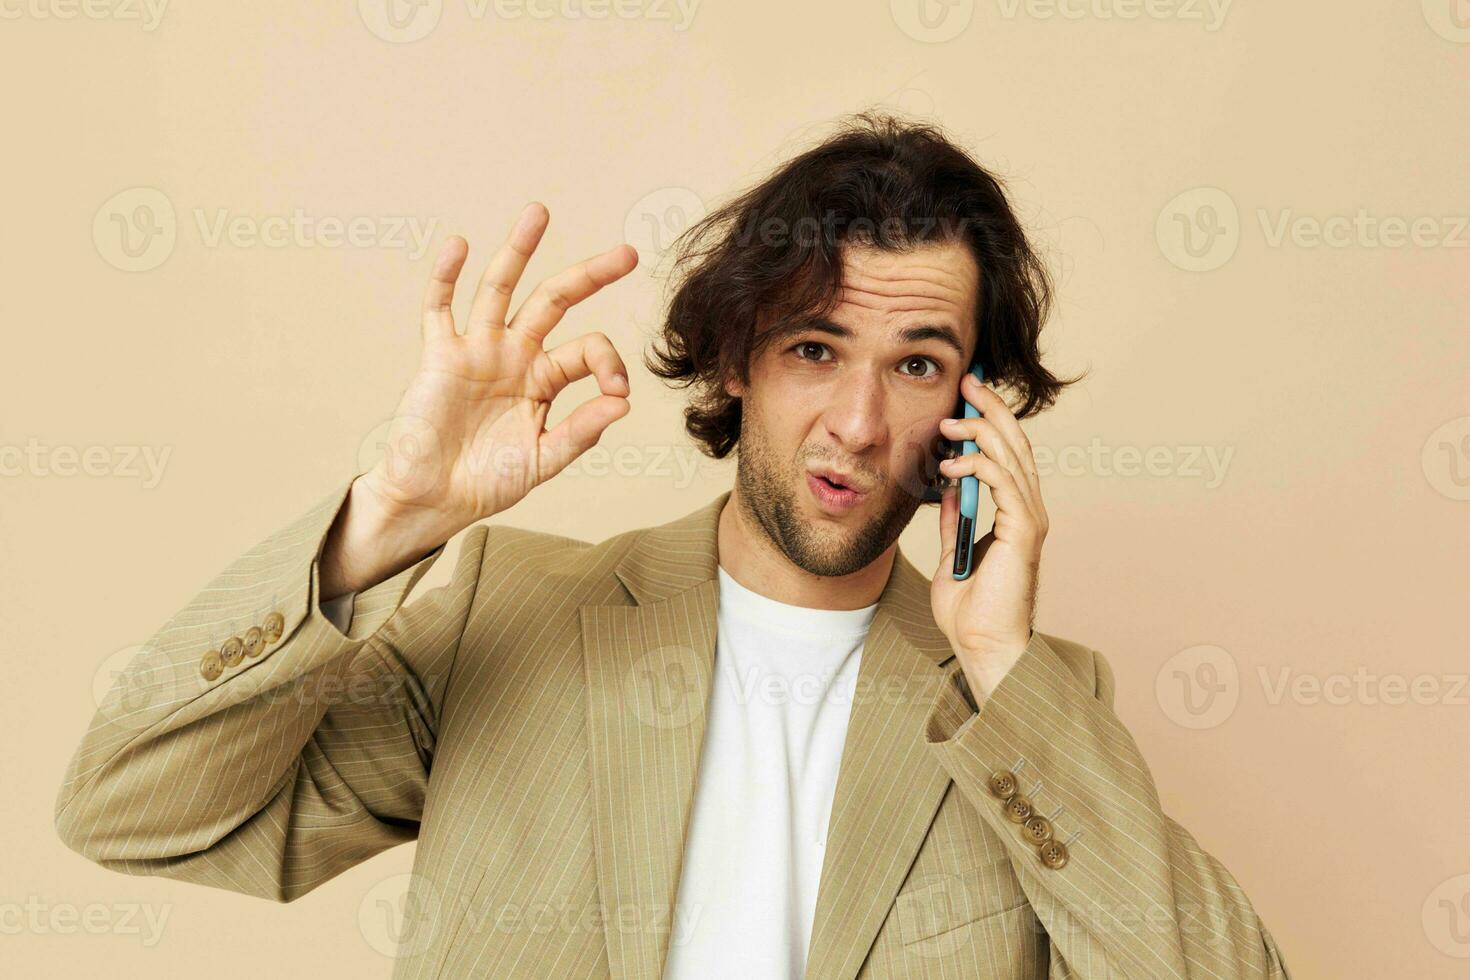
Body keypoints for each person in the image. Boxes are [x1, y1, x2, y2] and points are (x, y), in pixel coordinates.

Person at [55, 112, 1291, 979]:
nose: (857, 423)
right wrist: (391, 519)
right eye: (814, 348)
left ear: (978, 407)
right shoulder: (513, 607)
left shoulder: (1035, 701)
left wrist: (999, 660)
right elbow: (131, 808)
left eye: (917, 364)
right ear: (738, 357)